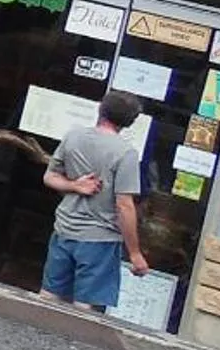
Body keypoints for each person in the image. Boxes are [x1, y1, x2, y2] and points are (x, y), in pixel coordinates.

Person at [39, 90, 152, 311]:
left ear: (100, 109)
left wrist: (74, 185)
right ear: (129, 123)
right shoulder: (126, 153)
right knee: (85, 307)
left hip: (64, 230)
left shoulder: (73, 136)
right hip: (100, 240)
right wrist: (135, 253)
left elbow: (49, 177)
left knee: (47, 297)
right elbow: (124, 205)